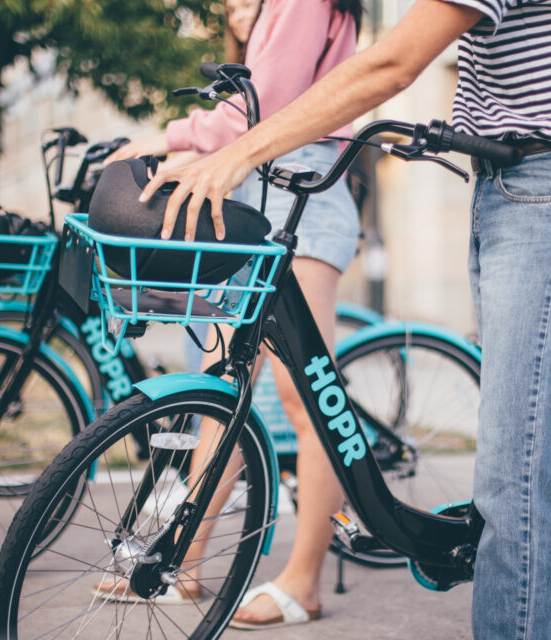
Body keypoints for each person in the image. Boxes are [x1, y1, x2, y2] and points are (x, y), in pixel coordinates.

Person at [140, 0, 551, 637]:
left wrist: (240, 151)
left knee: (515, 477)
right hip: (532, 180)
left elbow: (392, 62)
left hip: (546, 188)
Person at [97, 0, 365, 629]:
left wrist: (164, 140)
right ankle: (183, 562)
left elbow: (258, 107)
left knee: (307, 396)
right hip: (260, 187)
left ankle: (304, 579)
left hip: (306, 187)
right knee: (221, 383)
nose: (232, 7)